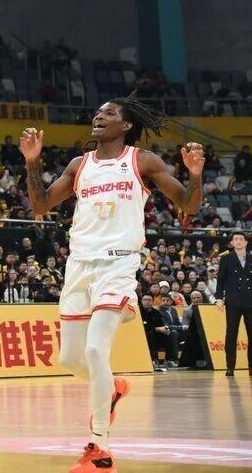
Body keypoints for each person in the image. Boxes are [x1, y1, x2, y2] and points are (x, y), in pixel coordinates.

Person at [22, 98, 203, 473]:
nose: (99, 116)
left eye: (109, 113)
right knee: (69, 359)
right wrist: (32, 161)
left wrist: (195, 175)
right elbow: (40, 205)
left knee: (94, 350)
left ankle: (100, 449)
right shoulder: (79, 165)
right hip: (79, 265)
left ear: (126, 126)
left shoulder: (142, 160)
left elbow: (189, 205)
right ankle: (113, 387)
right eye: (98, 112)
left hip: (118, 263)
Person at [215, 231, 252, 375]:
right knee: (231, 333)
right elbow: (220, 280)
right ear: (232, 242)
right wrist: (219, 298)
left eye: (241, 239)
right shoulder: (226, 259)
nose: (238, 241)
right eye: (235, 239)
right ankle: (230, 366)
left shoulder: (251, 257)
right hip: (233, 301)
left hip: (250, 301)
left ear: (246, 242)